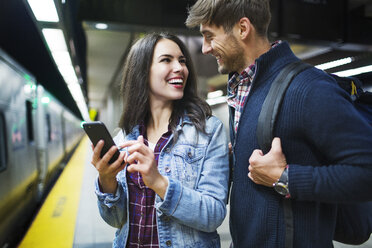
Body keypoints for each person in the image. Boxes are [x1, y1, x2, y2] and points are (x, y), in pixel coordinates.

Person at [186, 0, 372, 247]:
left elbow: (366, 170)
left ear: (243, 28)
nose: (205, 48)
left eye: (210, 36)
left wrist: (285, 178)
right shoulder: (244, 90)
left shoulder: (309, 89)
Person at [90, 32, 229, 248]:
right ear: (142, 72)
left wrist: (159, 183)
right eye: (166, 60)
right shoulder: (125, 138)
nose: (180, 68)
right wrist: (106, 180)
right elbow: (116, 220)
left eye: (182, 61)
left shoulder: (209, 132)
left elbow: (213, 214)